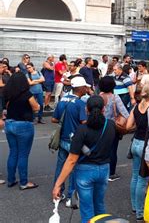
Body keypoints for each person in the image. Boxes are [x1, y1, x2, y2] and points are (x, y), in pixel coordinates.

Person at [52, 96, 116, 223]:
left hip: (85, 172)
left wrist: (58, 184)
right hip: (104, 169)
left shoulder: (82, 130)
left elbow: (71, 160)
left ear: (86, 110)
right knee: (99, 205)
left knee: (87, 210)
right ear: (104, 109)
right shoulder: (110, 125)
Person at [52, 76, 89, 206]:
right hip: (74, 140)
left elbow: (54, 119)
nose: (87, 89)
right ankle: (70, 197)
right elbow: (84, 121)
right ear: (81, 88)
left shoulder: (62, 100)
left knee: (60, 166)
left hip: (63, 138)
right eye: (85, 87)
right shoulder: (80, 103)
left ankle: (57, 193)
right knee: (73, 167)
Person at [3, 72, 40, 189]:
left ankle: (11, 180)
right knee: (23, 154)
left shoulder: (8, 94)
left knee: (13, 152)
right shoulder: (27, 94)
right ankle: (24, 182)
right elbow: (36, 108)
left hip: (9, 124)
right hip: (24, 124)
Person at [125, 83, 149, 221]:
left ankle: (134, 206)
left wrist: (138, 125)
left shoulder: (137, 106)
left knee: (135, 176)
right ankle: (140, 212)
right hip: (146, 144)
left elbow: (128, 125)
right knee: (143, 179)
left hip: (135, 142)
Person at [98, 76, 130, 182]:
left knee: (100, 149)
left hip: (99, 125)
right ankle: (111, 173)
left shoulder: (98, 97)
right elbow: (125, 113)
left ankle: (100, 171)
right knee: (112, 150)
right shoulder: (115, 97)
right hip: (112, 126)